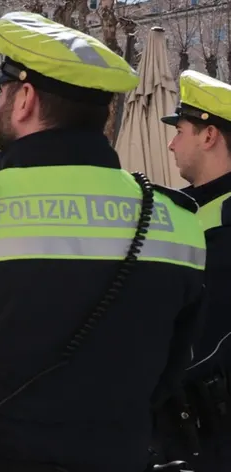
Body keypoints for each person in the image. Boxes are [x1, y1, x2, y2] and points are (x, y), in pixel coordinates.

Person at [0, 11, 207, 472]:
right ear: (105, 114)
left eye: (1, 91)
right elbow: (175, 370)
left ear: (25, 99)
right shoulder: (178, 223)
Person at [154, 70, 231, 471]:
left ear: (209, 135)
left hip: (208, 427)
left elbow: (204, 340)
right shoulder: (186, 206)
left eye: (180, 130)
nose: (170, 144)